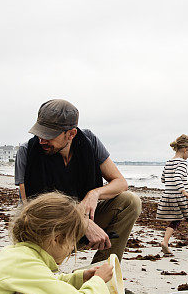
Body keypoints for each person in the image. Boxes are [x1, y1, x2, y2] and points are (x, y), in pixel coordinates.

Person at [14, 99, 141, 263]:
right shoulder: (26, 152)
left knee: (130, 201)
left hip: (79, 222)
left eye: (48, 135)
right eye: (39, 133)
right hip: (44, 229)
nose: (41, 140)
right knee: (28, 223)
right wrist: (82, 222)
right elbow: (33, 209)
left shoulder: (89, 141)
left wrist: (94, 194)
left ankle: (101, 275)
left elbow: (120, 183)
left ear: (71, 134)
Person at [157, 134, 188, 255]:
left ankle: (165, 242)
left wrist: (171, 184)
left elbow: (163, 179)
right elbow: (177, 177)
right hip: (180, 196)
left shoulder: (168, 162)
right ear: (185, 149)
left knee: (176, 219)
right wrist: (184, 191)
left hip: (168, 195)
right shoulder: (183, 163)